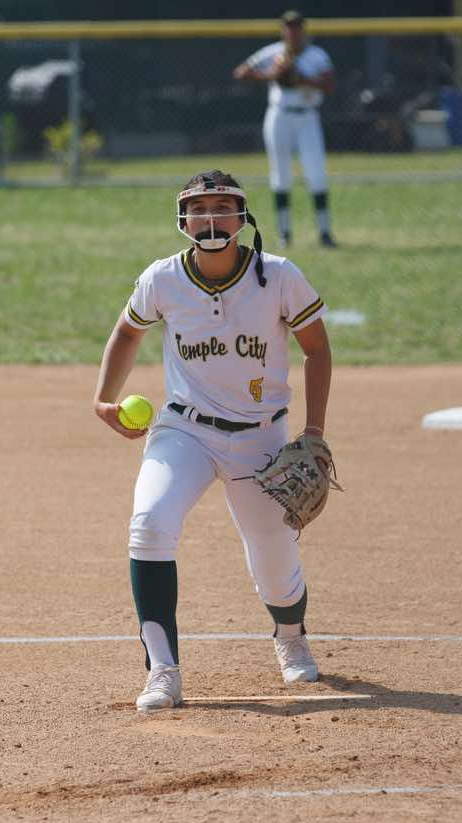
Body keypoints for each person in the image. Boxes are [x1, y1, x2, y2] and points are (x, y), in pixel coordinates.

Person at [94, 169, 334, 712]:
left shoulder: (279, 277)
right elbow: (128, 330)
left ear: (242, 217)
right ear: (182, 220)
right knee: (149, 524)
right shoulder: (162, 279)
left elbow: (317, 349)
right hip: (185, 431)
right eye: (199, 209)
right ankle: (163, 671)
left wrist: (314, 432)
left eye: (223, 207)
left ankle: (290, 636)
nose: (211, 219)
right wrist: (102, 399)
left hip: (261, 438)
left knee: (275, 569)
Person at [233, 9, 337, 248]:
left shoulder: (316, 55)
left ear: (303, 30)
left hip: (307, 116)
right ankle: (284, 233)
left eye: (297, 27)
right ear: (283, 31)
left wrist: (302, 79)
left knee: (316, 172)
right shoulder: (273, 52)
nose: (293, 32)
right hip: (279, 115)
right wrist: (272, 74)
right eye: (288, 28)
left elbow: (329, 83)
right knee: (281, 174)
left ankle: (324, 232)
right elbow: (241, 72)